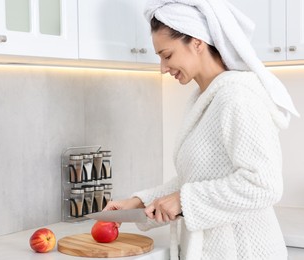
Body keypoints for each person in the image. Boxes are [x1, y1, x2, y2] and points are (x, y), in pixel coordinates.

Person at [104, 0, 300, 259]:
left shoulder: (237, 96)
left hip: (246, 252)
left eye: (167, 55)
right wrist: (139, 203)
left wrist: (183, 200)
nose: (163, 68)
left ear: (197, 43)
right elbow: (197, 178)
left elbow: (263, 185)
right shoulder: (204, 98)